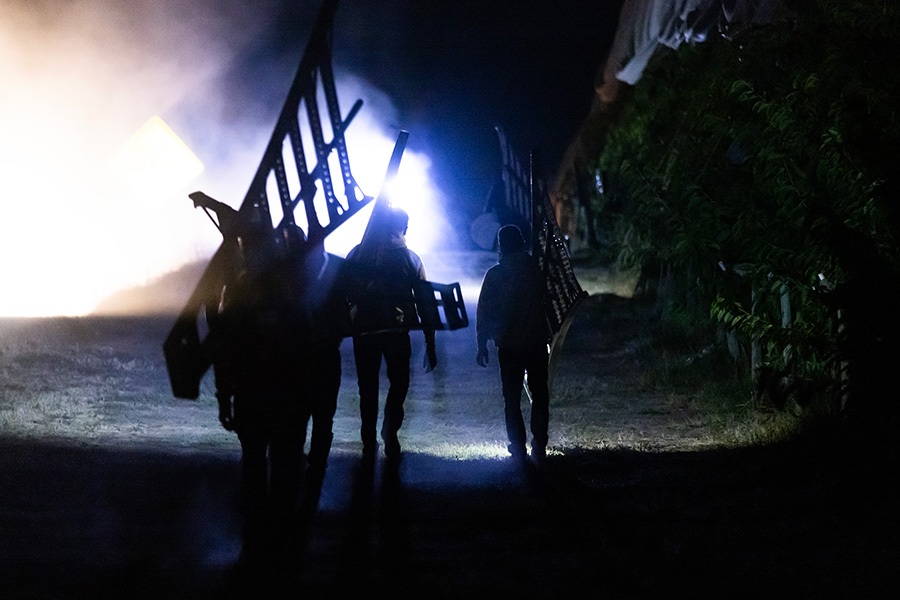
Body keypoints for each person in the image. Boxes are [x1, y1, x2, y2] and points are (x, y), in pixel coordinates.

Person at [214, 221, 309, 558]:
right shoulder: (290, 287)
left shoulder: (238, 291)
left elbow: (225, 350)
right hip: (282, 392)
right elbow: (302, 345)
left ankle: (256, 529)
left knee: (254, 460)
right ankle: (281, 529)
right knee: (283, 460)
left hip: (252, 392)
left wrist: (224, 397)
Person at [346, 207, 437, 462]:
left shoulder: (358, 254)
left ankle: (368, 439)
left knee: (368, 386)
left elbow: (343, 291)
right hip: (397, 332)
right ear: (404, 228)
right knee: (399, 384)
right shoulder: (410, 259)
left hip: (364, 332)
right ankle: (390, 431)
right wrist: (430, 343)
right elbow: (425, 302)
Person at [476, 225, 551, 462]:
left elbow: (484, 311)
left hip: (508, 345)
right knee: (539, 395)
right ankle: (539, 443)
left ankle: (518, 446)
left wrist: (482, 344)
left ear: (501, 246)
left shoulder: (496, 275)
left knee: (512, 398)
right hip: (536, 342)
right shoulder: (537, 271)